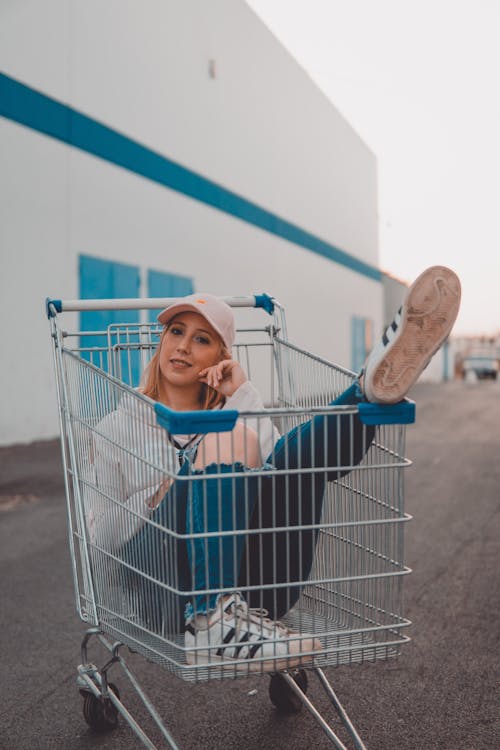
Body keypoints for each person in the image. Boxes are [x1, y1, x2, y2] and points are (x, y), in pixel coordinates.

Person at [88, 265, 461, 672]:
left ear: (220, 356)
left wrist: (241, 394)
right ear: (161, 342)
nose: (183, 347)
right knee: (229, 440)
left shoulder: (237, 413)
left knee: (282, 457)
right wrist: (157, 495)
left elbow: (275, 472)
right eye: (176, 332)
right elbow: (98, 538)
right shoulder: (117, 426)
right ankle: (210, 617)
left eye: (201, 340)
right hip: (164, 593)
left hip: (259, 587)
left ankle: (367, 391)